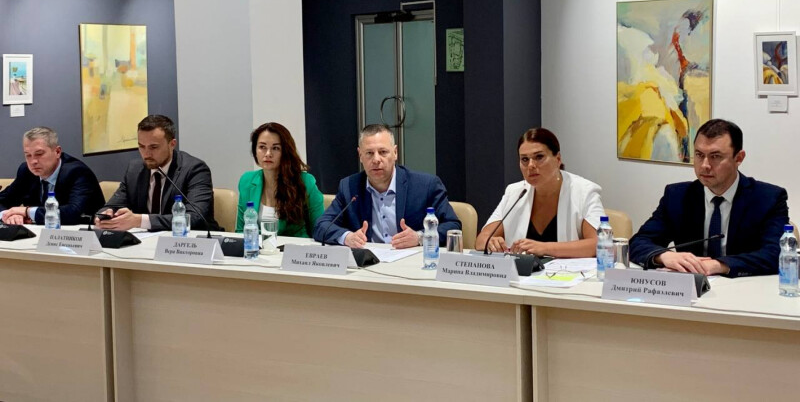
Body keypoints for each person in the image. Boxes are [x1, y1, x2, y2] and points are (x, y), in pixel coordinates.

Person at [629, 119, 788, 278]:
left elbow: (776, 254)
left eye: (715, 156)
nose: (705, 165)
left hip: (744, 286)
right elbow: (638, 242)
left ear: (739, 158)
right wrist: (664, 256)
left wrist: (718, 265)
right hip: (690, 288)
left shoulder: (768, 199)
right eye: (699, 155)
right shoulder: (677, 196)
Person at [313, 124, 461, 248]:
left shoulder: (425, 185)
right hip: (367, 266)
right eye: (369, 153)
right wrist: (347, 237)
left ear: (395, 153)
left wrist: (419, 237)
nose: (376, 159)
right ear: (360, 155)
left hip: (411, 263)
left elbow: (453, 226)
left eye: (383, 152)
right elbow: (321, 226)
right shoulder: (349, 187)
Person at [476, 128, 605, 257]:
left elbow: (600, 244)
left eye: (539, 157)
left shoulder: (584, 192)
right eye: (525, 159)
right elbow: (481, 240)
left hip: (567, 270)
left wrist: (544, 248)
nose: (531, 165)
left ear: (558, 159)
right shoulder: (515, 192)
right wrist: (490, 243)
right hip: (521, 270)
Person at [96, 114, 220, 231]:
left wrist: (139, 221)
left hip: (191, 242)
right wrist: (106, 215)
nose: (146, 154)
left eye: (153, 147)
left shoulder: (195, 169)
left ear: (172, 144)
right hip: (147, 241)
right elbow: (111, 206)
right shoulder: (134, 170)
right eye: (141, 146)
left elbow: (194, 217)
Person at [0, 127, 104, 225]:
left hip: (81, 234)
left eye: (39, 154)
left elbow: (73, 213)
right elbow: (3, 200)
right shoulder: (26, 171)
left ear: (57, 152)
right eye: (28, 155)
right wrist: (8, 215)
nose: (33, 161)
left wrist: (27, 212)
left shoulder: (77, 172)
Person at [236, 122, 324, 237]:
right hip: (256, 247)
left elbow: (320, 229)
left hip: (293, 247)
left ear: (285, 152)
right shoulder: (246, 180)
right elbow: (240, 232)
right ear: (255, 151)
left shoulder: (305, 181)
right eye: (262, 147)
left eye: (275, 148)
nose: (268, 154)